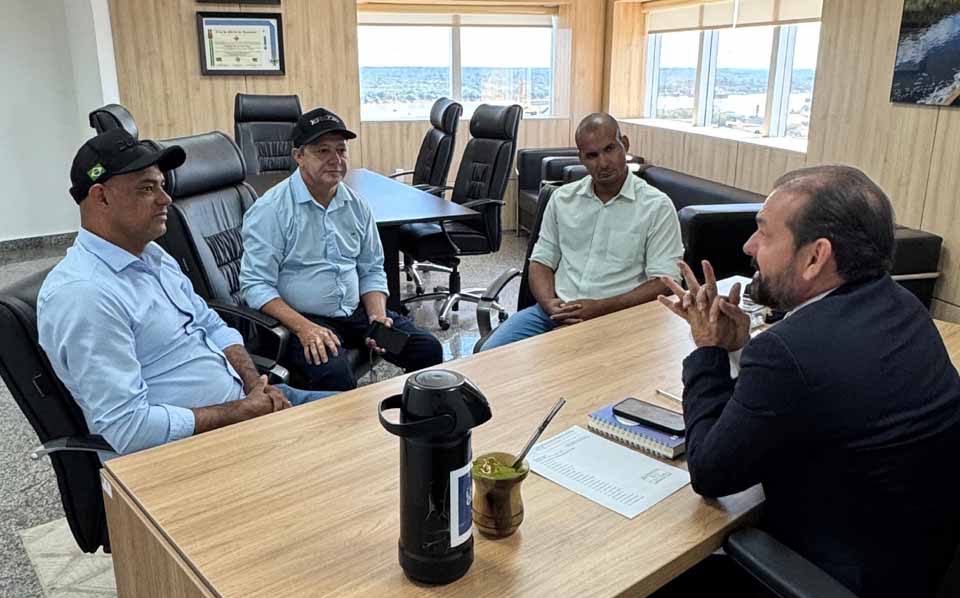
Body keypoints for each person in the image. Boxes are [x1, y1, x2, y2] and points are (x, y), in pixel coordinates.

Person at [630, 165, 960, 598]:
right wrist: (738, 348)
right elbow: (814, 399)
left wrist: (706, 351)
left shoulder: (789, 351)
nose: (747, 247)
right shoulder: (904, 307)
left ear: (814, 258)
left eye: (763, 232)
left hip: (829, 589)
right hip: (911, 570)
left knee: (657, 571)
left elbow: (710, 471)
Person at [38, 130, 335, 459]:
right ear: (101, 197)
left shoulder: (152, 255)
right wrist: (243, 411)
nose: (165, 199)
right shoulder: (86, 295)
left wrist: (253, 387)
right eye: (147, 189)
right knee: (354, 465)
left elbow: (212, 325)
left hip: (245, 407)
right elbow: (129, 428)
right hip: (192, 453)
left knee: (365, 419)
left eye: (162, 186)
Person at [239, 107, 442, 391]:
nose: (335, 160)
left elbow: (371, 269)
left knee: (427, 350)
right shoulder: (271, 210)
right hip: (302, 319)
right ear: (299, 156)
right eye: (322, 151)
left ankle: (412, 426)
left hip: (356, 314)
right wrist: (303, 328)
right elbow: (255, 285)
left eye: (341, 151)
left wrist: (377, 316)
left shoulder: (356, 206)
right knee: (336, 376)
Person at [479, 112, 683, 351]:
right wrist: (550, 304)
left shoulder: (656, 206)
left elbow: (664, 282)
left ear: (624, 145)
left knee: (560, 366)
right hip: (552, 312)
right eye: (592, 155)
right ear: (581, 158)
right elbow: (541, 261)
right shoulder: (563, 199)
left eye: (610, 149)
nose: (603, 163)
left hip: (616, 318)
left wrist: (600, 308)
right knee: (489, 355)